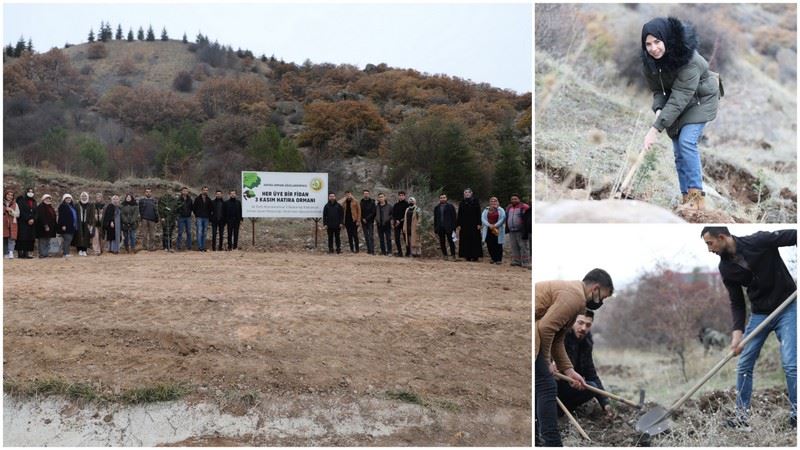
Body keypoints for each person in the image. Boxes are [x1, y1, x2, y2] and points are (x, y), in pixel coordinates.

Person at [701, 227, 796, 429]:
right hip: (760, 314)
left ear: (722, 237)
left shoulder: (760, 240)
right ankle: (741, 417)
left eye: (710, 243)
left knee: (790, 364)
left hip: (787, 307)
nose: (709, 249)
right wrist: (737, 334)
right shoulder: (726, 268)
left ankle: (797, 413)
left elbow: (795, 235)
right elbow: (736, 302)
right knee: (744, 364)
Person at [641, 17, 721, 210]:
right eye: (648, 44)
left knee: (686, 142)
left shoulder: (689, 60)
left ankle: (696, 200)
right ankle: (686, 199)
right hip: (679, 103)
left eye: (657, 42)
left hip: (700, 100)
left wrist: (655, 129)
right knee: (678, 152)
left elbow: (680, 96)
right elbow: (659, 91)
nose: (653, 48)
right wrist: (659, 107)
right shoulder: (650, 62)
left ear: (667, 40)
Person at [535, 268, 615, 446]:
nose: (601, 301)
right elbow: (546, 329)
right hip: (533, 330)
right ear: (595, 288)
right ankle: (551, 443)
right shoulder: (575, 297)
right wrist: (547, 361)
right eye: (603, 297)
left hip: (537, 333)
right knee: (547, 386)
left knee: (545, 387)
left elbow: (557, 338)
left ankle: (543, 439)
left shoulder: (577, 301)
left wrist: (569, 371)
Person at [555, 311, 614, 417]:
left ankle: (563, 411)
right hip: (551, 385)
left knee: (591, 386)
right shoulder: (560, 337)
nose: (583, 328)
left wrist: (605, 403)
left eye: (588, 325)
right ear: (572, 321)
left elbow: (591, 374)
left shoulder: (586, 343)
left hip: (570, 386)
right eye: (580, 323)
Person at [457, 188, 482, 262]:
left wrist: (479, 223)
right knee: (465, 240)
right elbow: (459, 214)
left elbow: (478, 213)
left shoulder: (475, 201)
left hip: (474, 224)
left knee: (475, 239)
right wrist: (459, 224)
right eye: (465, 192)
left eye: (468, 192)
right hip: (464, 225)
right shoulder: (462, 202)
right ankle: (467, 255)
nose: (467, 194)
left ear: (471, 193)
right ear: (464, 194)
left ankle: (475, 256)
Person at [506, 194, 531, 268]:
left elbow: (528, 217)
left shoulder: (524, 206)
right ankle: (516, 261)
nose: (514, 200)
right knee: (514, 247)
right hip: (512, 230)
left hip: (521, 230)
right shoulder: (509, 207)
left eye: (515, 199)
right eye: (512, 199)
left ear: (519, 199)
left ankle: (526, 262)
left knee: (524, 246)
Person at [481, 196, 506, 265]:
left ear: (497, 202)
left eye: (495, 201)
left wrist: (495, 225)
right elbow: (483, 218)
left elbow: (503, 218)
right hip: (489, 229)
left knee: (498, 244)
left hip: (498, 229)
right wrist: (489, 225)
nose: (493, 202)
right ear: (489, 202)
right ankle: (493, 258)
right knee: (490, 244)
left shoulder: (501, 210)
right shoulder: (486, 210)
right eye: (492, 201)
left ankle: (498, 259)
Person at [433, 193, 457, 261]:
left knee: (451, 241)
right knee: (442, 242)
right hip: (440, 227)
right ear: (439, 199)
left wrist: (454, 228)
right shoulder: (436, 208)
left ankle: (453, 255)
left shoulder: (450, 206)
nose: (442, 199)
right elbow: (435, 219)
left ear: (446, 198)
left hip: (449, 227)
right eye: (441, 198)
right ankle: (445, 255)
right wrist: (435, 228)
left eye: (444, 197)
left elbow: (454, 217)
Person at [15, 188, 37, 259]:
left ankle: (26, 253)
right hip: (23, 222)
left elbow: (36, 212)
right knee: (22, 237)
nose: (31, 193)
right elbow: (21, 211)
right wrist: (28, 219)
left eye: (32, 191)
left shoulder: (34, 201)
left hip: (31, 223)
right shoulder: (21, 201)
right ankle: (20, 253)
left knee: (29, 238)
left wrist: (33, 219)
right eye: (29, 191)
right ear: (26, 192)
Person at [73, 192, 95, 257]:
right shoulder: (77, 204)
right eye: (82, 196)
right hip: (78, 223)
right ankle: (79, 250)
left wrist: (90, 223)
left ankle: (84, 250)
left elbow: (92, 214)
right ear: (80, 197)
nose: (84, 197)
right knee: (78, 236)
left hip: (87, 223)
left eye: (85, 196)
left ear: (87, 197)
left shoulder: (90, 205)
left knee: (86, 236)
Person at [56, 194, 78, 258]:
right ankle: (65, 253)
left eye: (69, 198)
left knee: (69, 240)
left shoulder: (71, 206)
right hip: (66, 226)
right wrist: (63, 225)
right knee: (67, 239)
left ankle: (67, 252)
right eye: (67, 198)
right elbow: (61, 217)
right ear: (64, 199)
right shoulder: (62, 206)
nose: (68, 199)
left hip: (71, 226)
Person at [193, 186, 212, 252]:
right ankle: (199, 247)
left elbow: (210, 209)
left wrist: (209, 216)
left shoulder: (209, 199)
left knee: (204, 233)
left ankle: (203, 247)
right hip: (199, 218)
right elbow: (194, 208)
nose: (205, 191)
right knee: (199, 232)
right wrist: (197, 215)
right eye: (204, 190)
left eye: (206, 190)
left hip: (206, 218)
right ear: (201, 191)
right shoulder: (197, 199)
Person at [391, 191, 409, 257]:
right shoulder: (396, 205)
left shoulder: (407, 205)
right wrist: (396, 220)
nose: (401, 196)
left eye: (402, 195)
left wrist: (401, 220)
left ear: (404, 196)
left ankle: (408, 252)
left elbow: (407, 215)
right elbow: (393, 214)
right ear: (398, 196)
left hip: (404, 224)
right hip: (397, 224)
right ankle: (400, 252)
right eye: (400, 195)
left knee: (406, 238)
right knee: (397, 238)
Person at [4, 190, 20, 259]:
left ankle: (11, 252)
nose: (10, 196)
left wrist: (11, 211)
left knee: (12, 237)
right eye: (8, 194)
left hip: (12, 222)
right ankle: (5, 253)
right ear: (5, 195)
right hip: (3, 222)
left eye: (11, 195)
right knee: (4, 238)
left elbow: (18, 214)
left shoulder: (15, 204)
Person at [360, 189, 376, 255]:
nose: (366, 194)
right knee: (366, 236)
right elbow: (360, 212)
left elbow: (373, 212)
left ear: (369, 194)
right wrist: (362, 218)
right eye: (365, 193)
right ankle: (369, 250)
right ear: (363, 194)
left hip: (370, 221)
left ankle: (372, 250)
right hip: (363, 222)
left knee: (371, 236)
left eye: (367, 193)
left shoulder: (372, 202)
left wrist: (366, 218)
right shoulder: (361, 202)